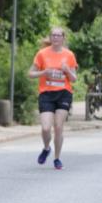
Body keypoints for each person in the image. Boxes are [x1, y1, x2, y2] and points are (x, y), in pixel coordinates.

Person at [28, 27, 77, 170]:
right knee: (45, 128)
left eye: (58, 35)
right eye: (53, 35)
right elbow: (30, 73)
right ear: (50, 38)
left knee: (59, 126)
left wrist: (67, 70)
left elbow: (73, 79)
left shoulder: (69, 55)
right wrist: (44, 72)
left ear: (63, 38)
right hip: (47, 94)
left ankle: (57, 158)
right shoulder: (42, 54)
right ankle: (46, 148)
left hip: (63, 93)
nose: (55, 38)